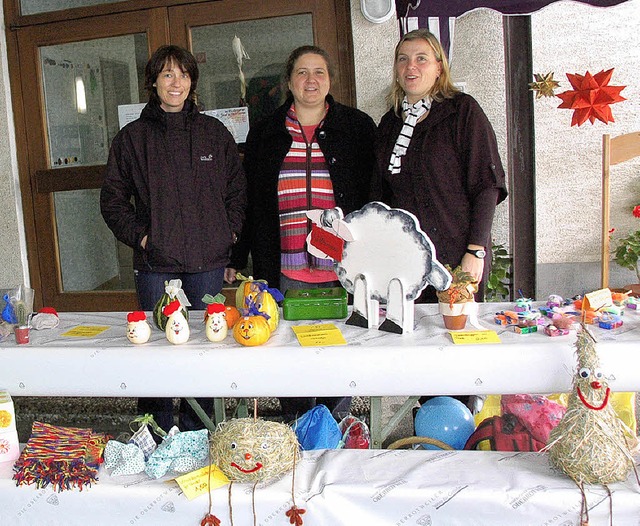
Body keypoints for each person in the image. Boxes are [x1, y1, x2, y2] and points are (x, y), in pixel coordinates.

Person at [226, 45, 377, 422]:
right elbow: (251, 200)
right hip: (286, 268)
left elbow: (375, 195)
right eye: (303, 72)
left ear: (329, 81)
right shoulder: (266, 132)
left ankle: (333, 428)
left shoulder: (357, 128)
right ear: (289, 81)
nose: (311, 80)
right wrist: (235, 257)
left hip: (344, 269)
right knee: (288, 354)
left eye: (319, 73)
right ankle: (296, 429)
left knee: (339, 355)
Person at [100, 45, 246, 432]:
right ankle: (154, 431)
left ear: (192, 82)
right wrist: (145, 239)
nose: (175, 82)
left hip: (208, 266)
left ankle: (198, 431)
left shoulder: (214, 133)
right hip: (155, 267)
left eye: (182, 74)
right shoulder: (132, 139)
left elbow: (237, 190)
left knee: (204, 352)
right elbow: (113, 201)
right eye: (166, 74)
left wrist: (227, 232)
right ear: (153, 82)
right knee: (155, 353)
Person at [373, 29, 508, 411]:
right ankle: (430, 432)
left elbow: (486, 184)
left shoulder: (462, 111)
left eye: (421, 58)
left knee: (457, 353)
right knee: (420, 354)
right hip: (408, 264)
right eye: (403, 58)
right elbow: (381, 199)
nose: (410, 66)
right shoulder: (388, 124)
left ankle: (461, 436)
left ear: (438, 68)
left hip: (457, 257)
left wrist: (475, 251)